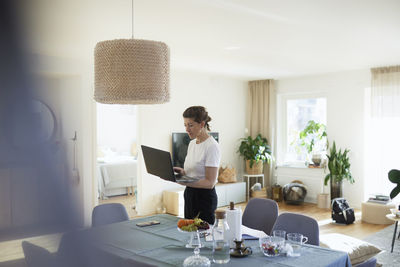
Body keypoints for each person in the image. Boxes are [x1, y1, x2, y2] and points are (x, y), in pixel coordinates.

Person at [173, 106, 221, 224]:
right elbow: (193, 172)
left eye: (190, 125)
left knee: (204, 236)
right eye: (185, 125)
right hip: (190, 195)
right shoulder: (192, 144)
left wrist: (185, 181)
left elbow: (210, 183)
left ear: (201, 124)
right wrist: (182, 173)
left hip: (204, 199)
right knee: (189, 233)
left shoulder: (212, 146)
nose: (187, 129)